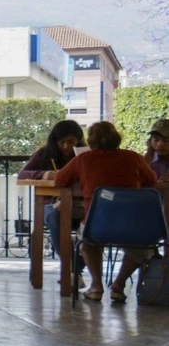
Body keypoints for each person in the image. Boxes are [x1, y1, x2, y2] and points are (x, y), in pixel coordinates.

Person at [54, 121, 157, 303]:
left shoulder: (83, 159)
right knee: (140, 248)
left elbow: (60, 180)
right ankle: (118, 285)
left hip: (97, 226)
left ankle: (96, 286)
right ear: (116, 138)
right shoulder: (133, 158)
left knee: (87, 242)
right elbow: (151, 180)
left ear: (90, 142)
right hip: (131, 225)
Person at [17, 120, 87, 266]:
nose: (66, 146)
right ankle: (72, 268)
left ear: (79, 140)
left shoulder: (86, 155)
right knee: (54, 217)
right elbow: (22, 174)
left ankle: (72, 271)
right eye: (62, 142)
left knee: (92, 220)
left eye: (71, 141)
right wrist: (43, 174)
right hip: (52, 204)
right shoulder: (44, 154)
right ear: (54, 141)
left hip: (81, 206)